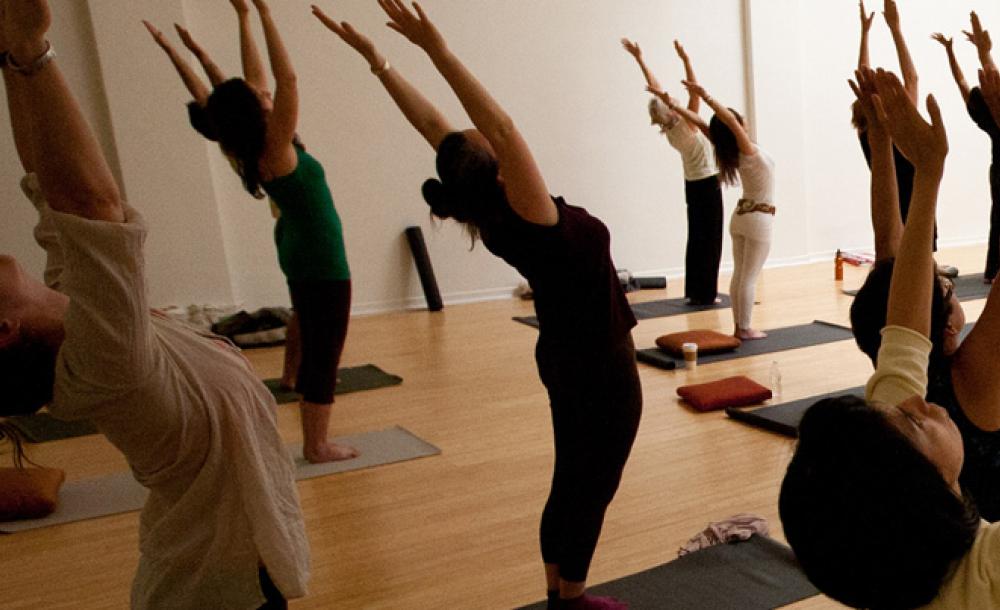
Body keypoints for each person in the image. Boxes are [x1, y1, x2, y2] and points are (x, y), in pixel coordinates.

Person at [312, 2, 642, 608]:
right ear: (491, 164)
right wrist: (437, 49)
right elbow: (504, 126)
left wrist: (380, 63)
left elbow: (435, 126)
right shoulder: (529, 210)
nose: (477, 129)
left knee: (569, 473)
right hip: (601, 364)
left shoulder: (489, 209)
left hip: (565, 356)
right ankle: (572, 598)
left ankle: (557, 591)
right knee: (593, 482)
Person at [0, 0, 308, 607]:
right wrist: (34, 49)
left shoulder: (78, 315)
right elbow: (91, 204)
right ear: (5, 330)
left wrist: (9, 55)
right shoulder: (104, 361)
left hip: (219, 565)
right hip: (216, 588)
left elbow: (45, 177)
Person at [782, 68, 1000, 609]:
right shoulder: (988, 571)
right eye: (913, 421)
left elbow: (899, 296)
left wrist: (922, 170)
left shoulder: (882, 499)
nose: (915, 405)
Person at [199, 0, 356, 463]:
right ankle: (317, 444)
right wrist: (267, 16)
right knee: (326, 347)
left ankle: (304, 409)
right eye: (257, 98)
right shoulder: (277, 147)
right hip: (320, 256)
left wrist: (245, 17)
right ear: (255, 114)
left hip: (298, 248)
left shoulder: (252, 148)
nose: (263, 93)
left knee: (311, 328)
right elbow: (286, 81)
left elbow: (260, 83)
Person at [851, 63, 1000, 524]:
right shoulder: (971, 380)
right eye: (949, 291)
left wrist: (882, 143)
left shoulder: (897, 393)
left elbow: (891, 247)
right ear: (945, 326)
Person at [142, 1, 304, 396]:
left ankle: (293, 375)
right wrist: (251, 17)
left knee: (305, 310)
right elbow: (231, 87)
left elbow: (224, 88)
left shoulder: (240, 138)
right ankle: (304, 375)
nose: (260, 94)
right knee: (310, 310)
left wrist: (185, 50)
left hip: (289, 224)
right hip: (298, 225)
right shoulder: (262, 143)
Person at [621, 37, 723, 305]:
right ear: (670, 111)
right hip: (706, 183)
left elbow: (656, 91)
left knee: (697, 238)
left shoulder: (671, 130)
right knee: (710, 240)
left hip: (692, 184)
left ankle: (695, 291)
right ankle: (707, 294)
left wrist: (640, 59)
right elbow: (692, 94)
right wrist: (686, 61)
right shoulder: (685, 125)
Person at [681, 79, 774, 339]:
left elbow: (700, 123)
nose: (742, 121)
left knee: (740, 275)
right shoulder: (746, 150)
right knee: (749, 277)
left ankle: (739, 326)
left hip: (742, 217)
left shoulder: (730, 150)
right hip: (759, 219)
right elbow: (728, 123)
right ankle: (744, 328)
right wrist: (705, 96)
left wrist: (672, 103)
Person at [933, 12, 1000, 282]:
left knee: (997, 220)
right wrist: (983, 52)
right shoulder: (994, 114)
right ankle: (993, 273)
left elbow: (961, 81)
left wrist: (951, 53)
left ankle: (992, 272)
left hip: (996, 171)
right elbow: (993, 83)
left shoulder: (983, 118)